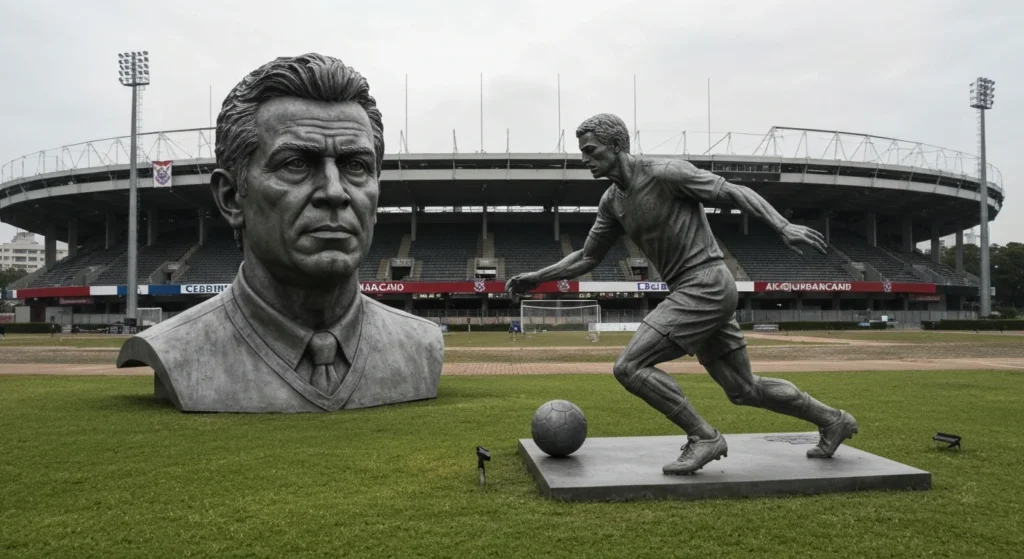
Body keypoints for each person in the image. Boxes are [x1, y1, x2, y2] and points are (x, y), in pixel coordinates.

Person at [506, 113, 858, 474]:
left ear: (615, 145)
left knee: (630, 366)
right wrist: (537, 277)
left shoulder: (666, 173)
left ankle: (703, 436)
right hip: (696, 291)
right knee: (744, 390)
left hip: (705, 283)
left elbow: (732, 190)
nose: (585, 159)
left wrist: (781, 226)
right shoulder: (612, 202)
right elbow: (588, 256)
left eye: (591, 150)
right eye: (582, 152)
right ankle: (833, 420)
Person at [117, 53, 443, 413]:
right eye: (296, 164)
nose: (334, 192)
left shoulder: (423, 343)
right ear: (231, 199)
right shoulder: (176, 349)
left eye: (356, 166)